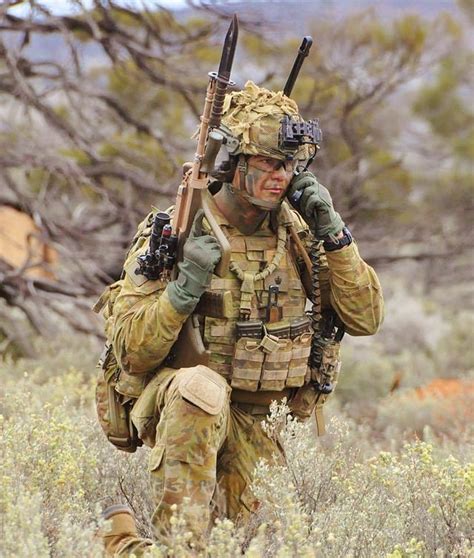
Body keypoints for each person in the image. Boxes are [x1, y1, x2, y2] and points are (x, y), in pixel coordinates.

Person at [100, 81, 384, 555]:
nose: (281, 176)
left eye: (289, 165)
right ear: (233, 164)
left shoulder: (302, 234)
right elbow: (131, 350)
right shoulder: (177, 229)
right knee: (201, 392)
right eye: (269, 164)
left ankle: (119, 542)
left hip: (265, 420)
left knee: (252, 547)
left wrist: (335, 235)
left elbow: (367, 318)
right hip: (187, 407)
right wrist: (183, 287)